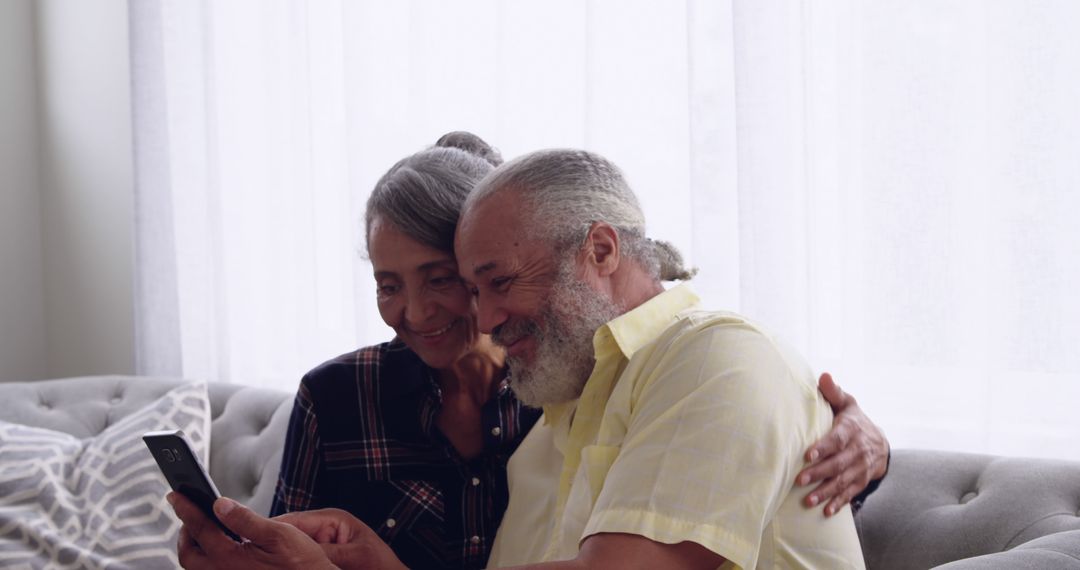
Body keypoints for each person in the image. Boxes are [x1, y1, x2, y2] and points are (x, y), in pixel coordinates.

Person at [170, 141, 887, 569]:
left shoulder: (719, 361)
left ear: (601, 250)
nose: (479, 318)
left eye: (491, 283)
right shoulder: (558, 417)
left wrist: (861, 439)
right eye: (390, 284)